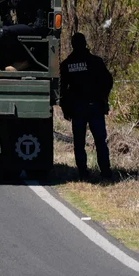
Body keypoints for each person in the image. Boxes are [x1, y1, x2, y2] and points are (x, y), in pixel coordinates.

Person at [59, 33, 114, 181]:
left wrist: (65, 108)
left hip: (77, 108)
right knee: (100, 141)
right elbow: (108, 81)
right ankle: (106, 172)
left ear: (72, 45)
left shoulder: (66, 65)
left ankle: (83, 173)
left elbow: (62, 90)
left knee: (79, 142)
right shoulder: (95, 61)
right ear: (85, 43)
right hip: (95, 106)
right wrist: (104, 97)